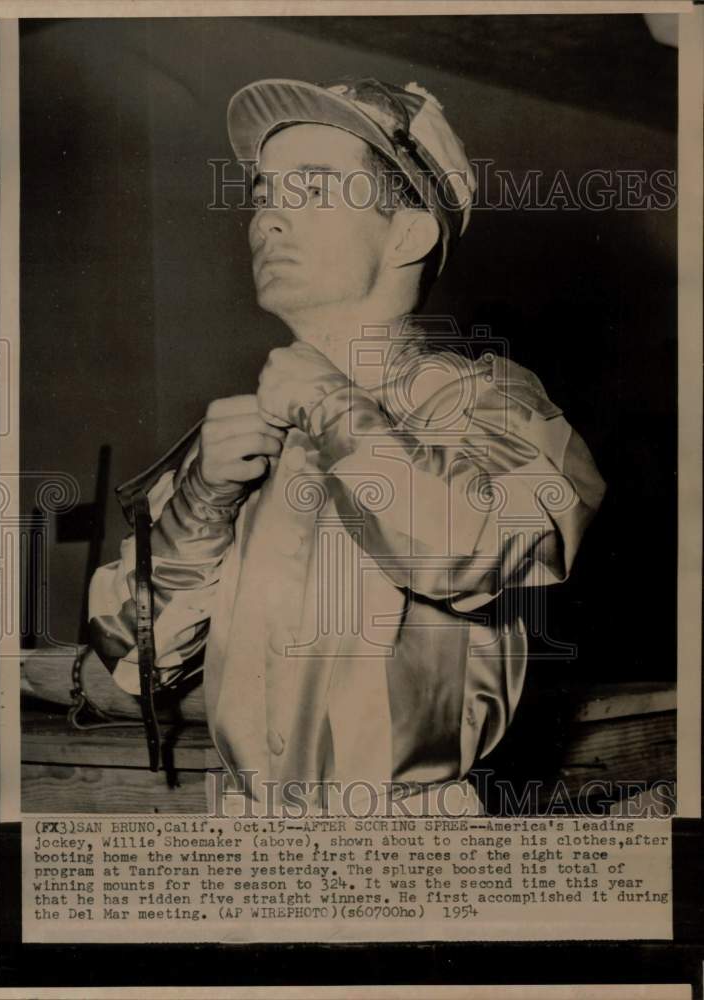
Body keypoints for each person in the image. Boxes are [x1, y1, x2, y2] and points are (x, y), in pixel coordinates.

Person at [87, 77, 606, 816]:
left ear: (408, 233)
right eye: (266, 193)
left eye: (315, 188)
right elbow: (133, 657)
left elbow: (471, 544)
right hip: (246, 836)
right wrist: (200, 501)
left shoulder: (495, 403)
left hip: (410, 845)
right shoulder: (236, 434)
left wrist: (334, 405)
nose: (267, 219)